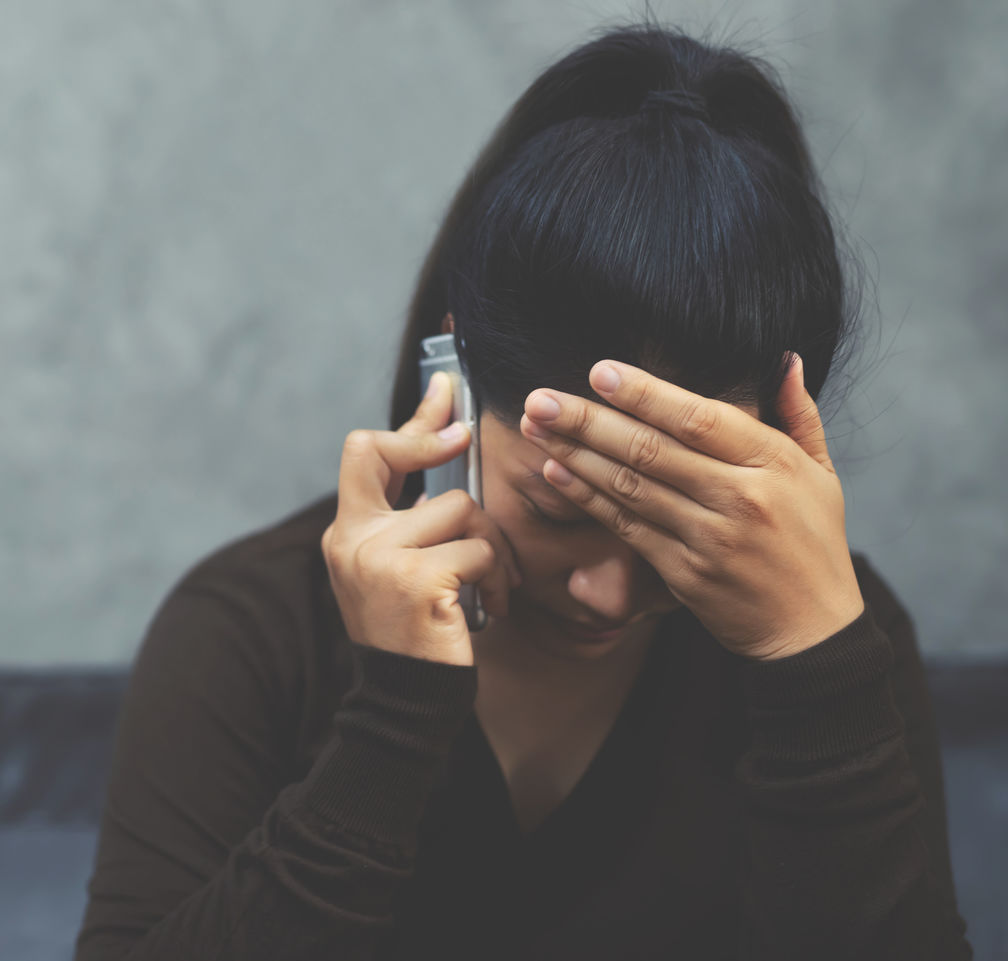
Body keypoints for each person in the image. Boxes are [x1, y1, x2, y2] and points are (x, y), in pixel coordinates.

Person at [73, 21, 973, 961]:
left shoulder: (832, 635)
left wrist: (814, 667)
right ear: (456, 372)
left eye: (682, 522)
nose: (611, 592)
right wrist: (393, 715)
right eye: (557, 507)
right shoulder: (253, 629)